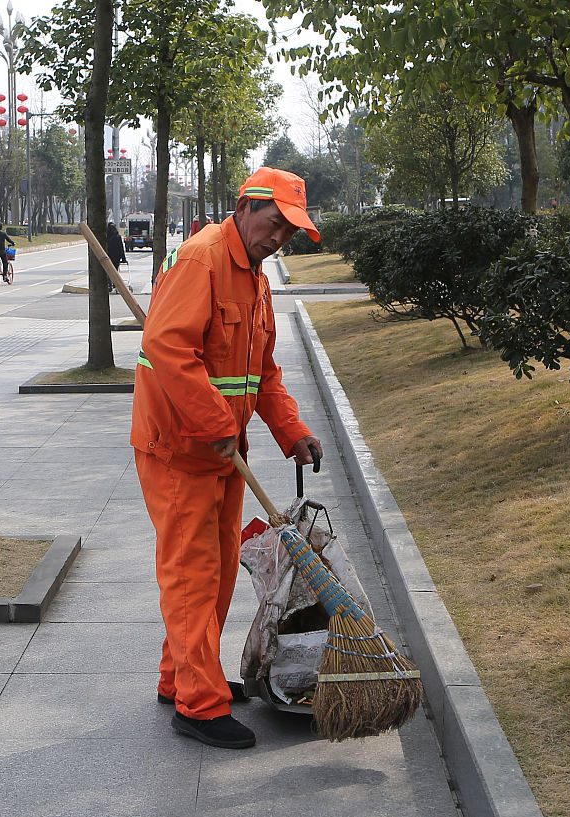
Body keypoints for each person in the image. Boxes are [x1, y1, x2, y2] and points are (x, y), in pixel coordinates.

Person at [131, 166, 323, 750]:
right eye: (275, 223)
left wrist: (292, 431)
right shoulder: (201, 260)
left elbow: (262, 373)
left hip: (222, 452)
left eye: (290, 232)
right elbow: (166, 346)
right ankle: (199, 703)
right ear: (245, 206)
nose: (279, 238)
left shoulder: (256, 280)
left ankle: (181, 676)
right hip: (179, 448)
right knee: (192, 577)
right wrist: (215, 422)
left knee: (214, 576)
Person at [105, 222, 126, 292]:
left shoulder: (106, 237)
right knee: (115, 271)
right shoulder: (118, 237)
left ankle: (109, 284)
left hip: (108, 257)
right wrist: (123, 258)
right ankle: (115, 283)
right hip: (116, 258)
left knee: (108, 271)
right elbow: (121, 248)